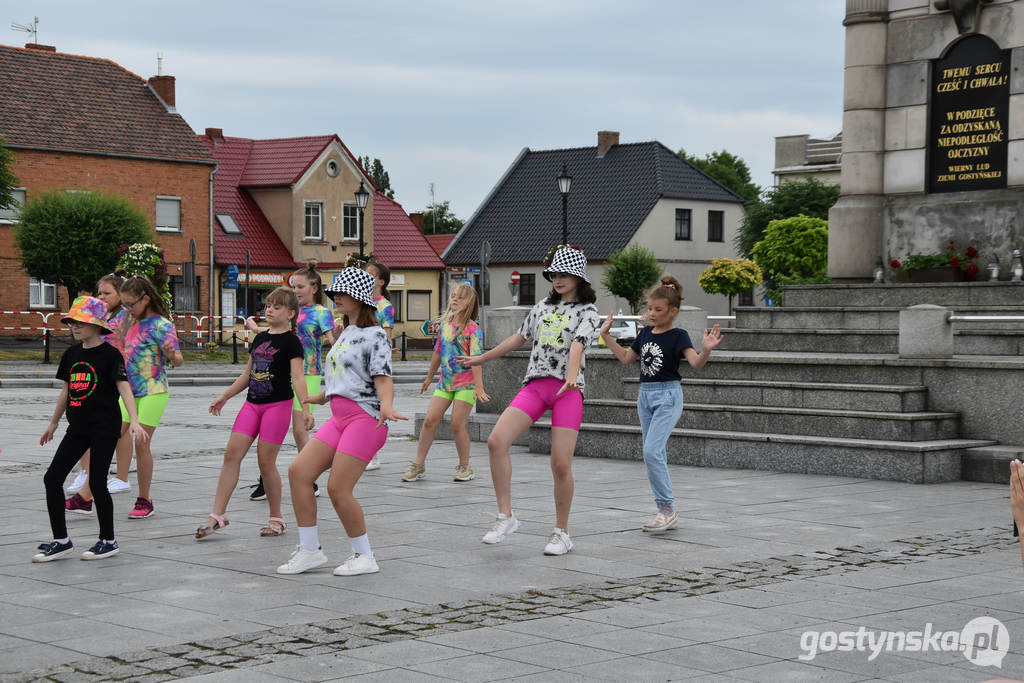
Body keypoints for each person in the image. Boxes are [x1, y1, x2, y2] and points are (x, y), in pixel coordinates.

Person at [458, 245, 600, 556]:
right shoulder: (541, 308)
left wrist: (572, 378)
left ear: (579, 278)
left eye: (565, 274)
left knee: (560, 463)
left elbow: (578, 345)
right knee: (496, 441)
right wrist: (483, 357)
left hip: (568, 390)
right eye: (554, 274)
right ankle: (505, 516)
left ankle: (562, 532)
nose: (558, 279)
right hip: (536, 385)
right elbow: (517, 338)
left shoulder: (588, 312)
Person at [276, 268, 406, 576]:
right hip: (339, 417)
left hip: (366, 420)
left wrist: (386, 405)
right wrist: (320, 397)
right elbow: (346, 378)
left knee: (338, 488)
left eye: (342, 293)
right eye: (335, 293)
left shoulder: (375, 335)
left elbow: (383, 379)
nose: (336, 297)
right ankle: (310, 550)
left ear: (360, 299)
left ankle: (364, 556)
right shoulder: (345, 332)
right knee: (298, 473)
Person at [599, 275, 723, 533]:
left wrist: (707, 349)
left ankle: (666, 509)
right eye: (650, 309)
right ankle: (666, 510)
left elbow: (696, 364)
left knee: (651, 452)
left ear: (672, 311)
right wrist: (606, 335)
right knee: (656, 453)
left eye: (657, 309)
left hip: (668, 395)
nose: (651, 313)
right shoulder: (644, 333)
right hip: (645, 395)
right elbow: (625, 358)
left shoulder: (679, 335)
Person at [34, 296, 147, 562]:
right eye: (73, 322)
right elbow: (66, 390)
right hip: (77, 427)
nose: (75, 326)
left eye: (81, 322)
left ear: (97, 325)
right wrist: (53, 422)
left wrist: (135, 419)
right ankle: (61, 540)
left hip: (104, 428)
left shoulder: (110, 355)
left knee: (96, 482)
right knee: (52, 478)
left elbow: (123, 387)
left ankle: (108, 540)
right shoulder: (71, 354)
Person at [197, 287, 312, 539]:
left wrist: (305, 407)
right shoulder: (260, 338)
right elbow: (248, 374)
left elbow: (298, 377)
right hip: (252, 404)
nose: (269, 309)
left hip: (277, 406)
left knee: (265, 461)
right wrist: (225, 396)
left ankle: (276, 518)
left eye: (277, 306)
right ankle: (217, 516)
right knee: (230, 455)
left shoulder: (292, 342)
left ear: (291, 313)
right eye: (268, 305)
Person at [245, 263, 335, 501]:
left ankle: (310, 478)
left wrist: (339, 337)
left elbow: (331, 340)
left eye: (300, 286)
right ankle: (265, 480)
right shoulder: (289, 309)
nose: (295, 290)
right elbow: (276, 333)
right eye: (293, 286)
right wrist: (257, 330)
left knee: (298, 429)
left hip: (309, 373)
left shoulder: (321, 312)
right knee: (270, 431)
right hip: (281, 374)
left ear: (314, 288)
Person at [404, 283, 489, 483]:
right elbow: (437, 353)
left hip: (466, 385)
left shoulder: (473, 330)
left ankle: (464, 466)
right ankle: (419, 464)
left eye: (460, 298)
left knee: (457, 424)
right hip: (445, 383)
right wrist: (428, 377)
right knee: (429, 421)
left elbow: (477, 359)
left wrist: (479, 385)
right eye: (453, 296)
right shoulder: (445, 325)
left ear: (470, 303)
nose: (455, 300)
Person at [117, 275, 184, 519]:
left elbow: (178, 359)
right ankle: (86, 494)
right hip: (129, 392)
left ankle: (144, 499)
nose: (127, 309)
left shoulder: (161, 325)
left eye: (130, 304)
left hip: (154, 391)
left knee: (141, 442)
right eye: (124, 305)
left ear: (145, 299)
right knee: (109, 434)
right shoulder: (129, 323)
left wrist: (171, 355)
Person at [65, 272, 133, 510]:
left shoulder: (125, 317)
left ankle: (118, 478)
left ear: (120, 294)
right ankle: (87, 474)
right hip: (96, 376)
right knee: (86, 425)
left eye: (107, 293)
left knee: (117, 430)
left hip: (116, 376)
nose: (102, 297)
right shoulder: (98, 314)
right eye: (99, 293)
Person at [362, 259, 394, 472]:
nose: (368, 278)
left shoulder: (385, 306)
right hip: (361, 359)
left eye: (372, 275)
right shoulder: (363, 303)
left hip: (376, 361)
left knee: (374, 404)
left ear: (381, 281)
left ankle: (374, 453)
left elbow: (388, 336)